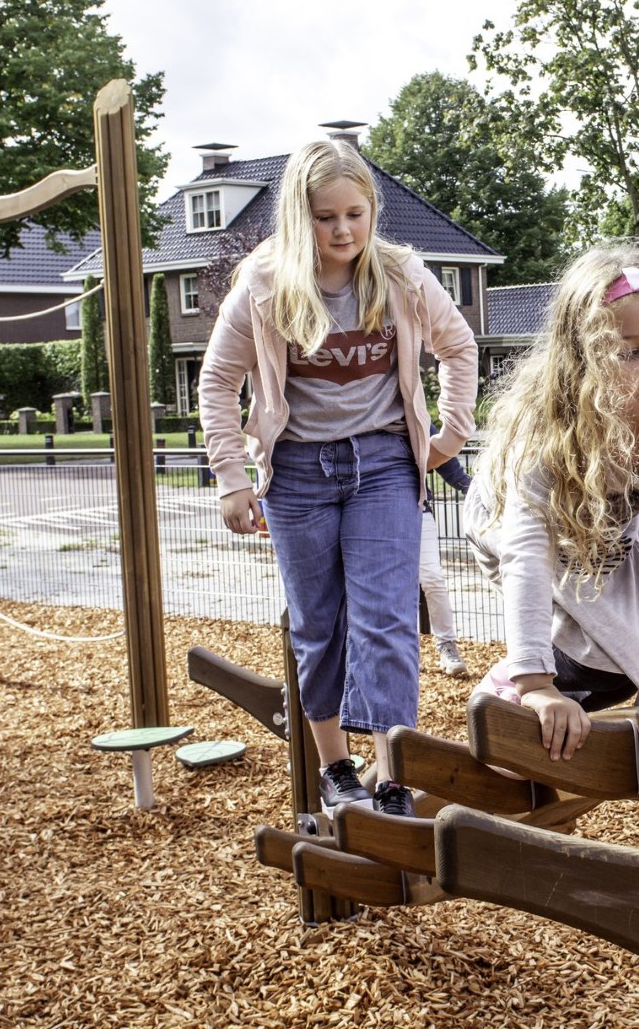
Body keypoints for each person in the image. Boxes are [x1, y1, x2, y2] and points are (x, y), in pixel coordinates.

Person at [200, 138, 477, 818]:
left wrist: (451, 434)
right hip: (298, 473)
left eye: (356, 213)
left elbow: (458, 345)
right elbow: (218, 380)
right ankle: (335, 768)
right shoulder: (264, 285)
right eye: (327, 218)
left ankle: (392, 775)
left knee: (386, 619)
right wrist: (231, 476)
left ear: (373, 209)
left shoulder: (401, 274)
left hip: (383, 464)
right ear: (301, 218)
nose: (344, 230)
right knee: (319, 623)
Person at [464, 240, 639, 761]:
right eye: (630, 352)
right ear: (584, 359)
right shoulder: (544, 441)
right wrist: (537, 685)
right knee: (566, 620)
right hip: (505, 524)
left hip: (600, 529)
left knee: (628, 621)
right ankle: (509, 688)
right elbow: (525, 558)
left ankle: (571, 682)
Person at [422, 422, 473, 678]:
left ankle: (446, 645)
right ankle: (401, 651)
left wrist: (475, 489)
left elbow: (450, 467)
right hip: (369, 511)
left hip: (417, 507)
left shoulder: (416, 414)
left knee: (432, 577)